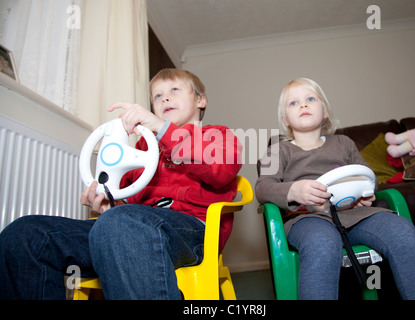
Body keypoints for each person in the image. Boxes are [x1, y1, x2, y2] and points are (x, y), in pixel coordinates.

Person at [0, 68, 242, 299]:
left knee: (121, 223)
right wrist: (108, 206)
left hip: (194, 233)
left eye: (174, 90)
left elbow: (220, 171)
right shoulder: (142, 149)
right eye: (158, 96)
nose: (165, 98)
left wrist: (161, 129)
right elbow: (128, 200)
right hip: (127, 227)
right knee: (25, 235)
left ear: (201, 100)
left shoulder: (218, 136)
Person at [255, 77, 415, 300]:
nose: (303, 105)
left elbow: (368, 176)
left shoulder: (344, 143)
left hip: (355, 214)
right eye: (293, 103)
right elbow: (263, 188)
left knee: (402, 230)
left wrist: (365, 192)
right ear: (285, 119)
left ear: (325, 111)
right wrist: (294, 191)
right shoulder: (277, 150)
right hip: (307, 219)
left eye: (310, 99)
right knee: (322, 242)